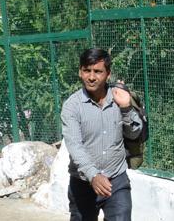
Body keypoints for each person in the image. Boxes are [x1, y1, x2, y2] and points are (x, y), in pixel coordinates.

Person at [60, 48, 143, 221]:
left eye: (98, 71)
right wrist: (93, 175)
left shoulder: (119, 99)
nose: (91, 77)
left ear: (108, 74)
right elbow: (75, 146)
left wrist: (126, 107)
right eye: (86, 71)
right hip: (83, 184)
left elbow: (135, 134)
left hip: (116, 180)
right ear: (80, 72)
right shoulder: (72, 106)